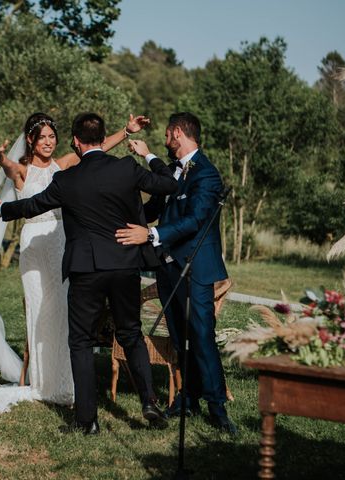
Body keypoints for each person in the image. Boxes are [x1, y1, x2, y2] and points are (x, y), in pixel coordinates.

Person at [0, 112, 177, 433]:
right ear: (103, 139)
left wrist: (1, 209)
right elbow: (169, 184)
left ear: (75, 142)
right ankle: (149, 402)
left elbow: (33, 206)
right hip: (124, 264)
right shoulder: (126, 168)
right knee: (130, 333)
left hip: (85, 269)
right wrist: (150, 156)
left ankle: (87, 421)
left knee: (81, 341)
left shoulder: (66, 179)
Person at [115, 112, 237, 434]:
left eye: (168, 137)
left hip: (196, 266)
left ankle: (217, 406)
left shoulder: (207, 175)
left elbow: (196, 219)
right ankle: (187, 396)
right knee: (180, 336)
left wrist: (152, 235)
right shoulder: (169, 172)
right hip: (168, 267)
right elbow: (152, 210)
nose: (166, 142)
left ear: (178, 134)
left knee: (201, 335)